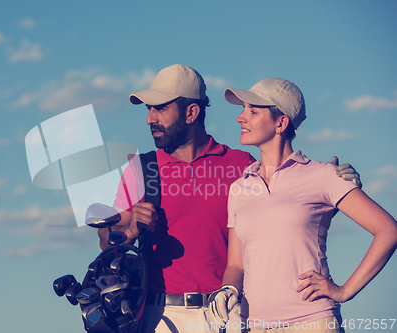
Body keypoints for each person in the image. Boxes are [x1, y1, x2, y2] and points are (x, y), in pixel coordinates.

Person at [98, 66, 361, 333]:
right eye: (148, 109)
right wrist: (129, 231)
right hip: (162, 316)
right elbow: (106, 239)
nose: (150, 119)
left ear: (192, 112)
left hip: (231, 313)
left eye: (161, 108)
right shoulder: (141, 169)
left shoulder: (242, 165)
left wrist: (332, 195)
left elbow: (283, 218)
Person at [209, 78, 397, 333]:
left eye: (253, 111)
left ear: (281, 122)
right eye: (243, 109)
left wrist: (345, 290)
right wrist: (228, 290)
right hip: (255, 326)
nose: (241, 118)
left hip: (312, 321)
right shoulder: (239, 188)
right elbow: (236, 265)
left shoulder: (323, 175)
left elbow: (388, 230)